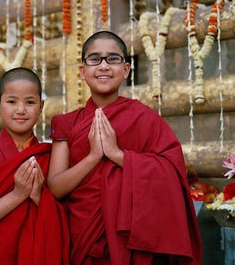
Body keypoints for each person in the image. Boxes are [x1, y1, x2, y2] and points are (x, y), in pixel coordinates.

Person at [47, 31, 202, 265]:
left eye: (113, 58)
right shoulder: (66, 124)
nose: (104, 66)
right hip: (80, 238)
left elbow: (171, 172)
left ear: (126, 70)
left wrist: (118, 155)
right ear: (82, 71)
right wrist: (93, 156)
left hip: (131, 240)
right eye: (94, 59)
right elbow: (56, 187)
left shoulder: (144, 118)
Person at [0, 67, 69, 265]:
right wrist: (18, 195)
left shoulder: (50, 156)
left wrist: (39, 196)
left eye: (30, 102)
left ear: (41, 106)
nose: (21, 109)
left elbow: (61, 217)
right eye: (11, 101)